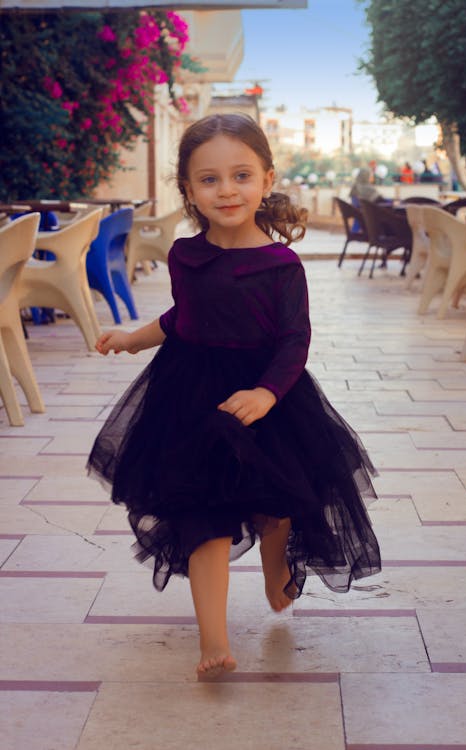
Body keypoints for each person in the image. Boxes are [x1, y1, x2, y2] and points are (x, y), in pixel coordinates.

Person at [87, 113, 381, 679]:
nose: (227, 190)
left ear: (266, 180)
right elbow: (183, 318)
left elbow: (295, 340)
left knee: (274, 504)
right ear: (189, 190)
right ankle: (214, 641)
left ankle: (277, 565)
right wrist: (133, 338)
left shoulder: (280, 266)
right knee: (204, 514)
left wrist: (268, 393)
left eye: (241, 175)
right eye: (209, 179)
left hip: (265, 399)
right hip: (190, 398)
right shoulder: (184, 256)